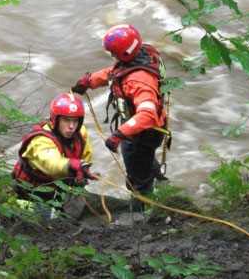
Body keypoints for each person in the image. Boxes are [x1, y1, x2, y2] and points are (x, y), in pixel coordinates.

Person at [71, 24, 169, 212]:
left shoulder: (139, 81)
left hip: (143, 131)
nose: (112, 57)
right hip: (153, 125)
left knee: (136, 174)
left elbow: (146, 113)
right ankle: (158, 177)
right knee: (144, 159)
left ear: (125, 52)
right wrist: (90, 81)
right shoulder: (144, 54)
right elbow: (115, 73)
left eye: (114, 53)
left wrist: (120, 134)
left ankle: (142, 212)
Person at [12, 93, 97, 218]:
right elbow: (52, 163)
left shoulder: (80, 132)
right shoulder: (40, 141)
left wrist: (82, 172)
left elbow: (86, 154)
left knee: (75, 213)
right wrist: (74, 165)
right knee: (56, 222)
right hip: (32, 197)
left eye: (75, 121)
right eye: (66, 120)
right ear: (55, 120)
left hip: (59, 191)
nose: (71, 127)